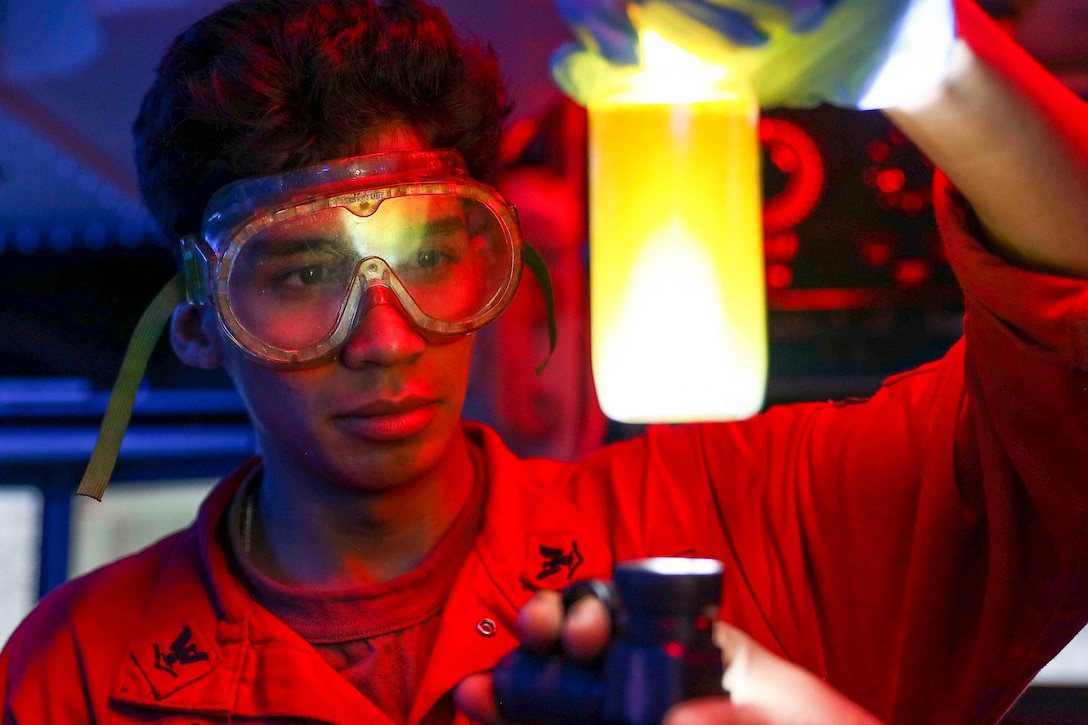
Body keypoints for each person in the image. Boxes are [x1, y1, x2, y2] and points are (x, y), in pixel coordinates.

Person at [2, 0, 1087, 722]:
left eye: (431, 256)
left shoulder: (742, 523)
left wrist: (929, 56)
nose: (384, 340)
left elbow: (1063, 385)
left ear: (496, 259)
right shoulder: (80, 668)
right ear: (197, 317)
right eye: (297, 276)